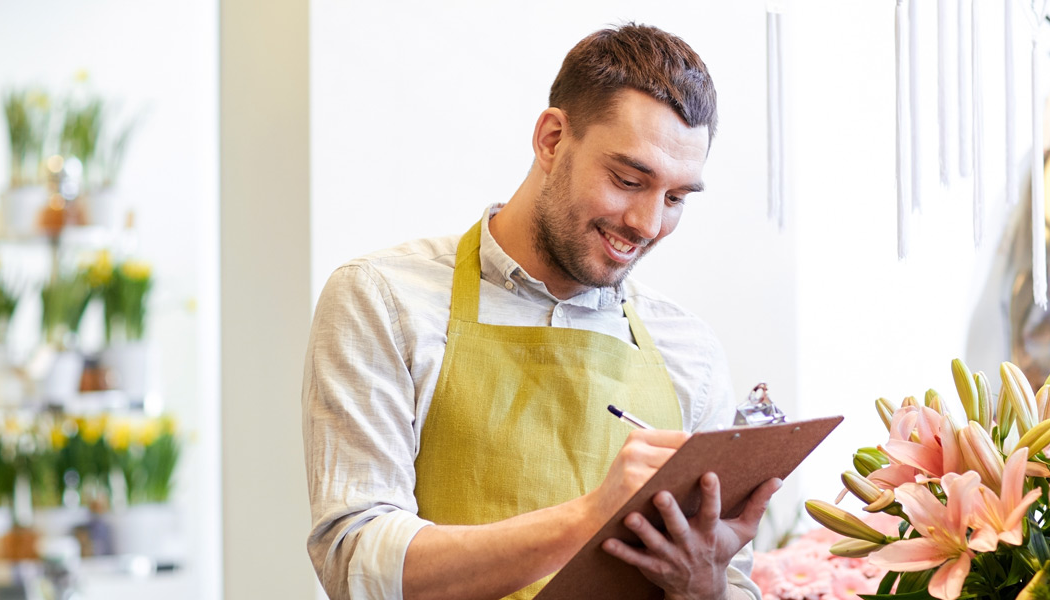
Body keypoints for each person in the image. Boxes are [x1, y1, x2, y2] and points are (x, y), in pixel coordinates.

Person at [302, 23, 780, 600]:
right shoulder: (383, 300)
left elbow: (734, 584)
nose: (649, 225)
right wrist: (589, 517)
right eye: (629, 180)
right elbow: (357, 565)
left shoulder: (690, 349)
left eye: (676, 198)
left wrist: (701, 583)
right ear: (552, 140)